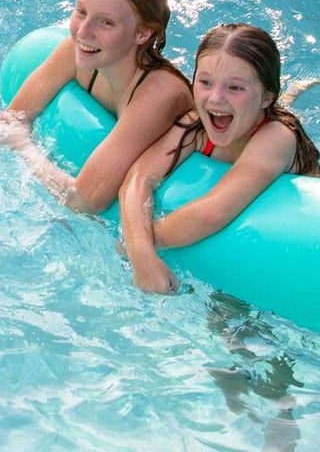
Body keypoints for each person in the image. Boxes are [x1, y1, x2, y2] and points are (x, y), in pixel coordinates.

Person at [119, 23, 319, 294]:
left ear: (266, 98)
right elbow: (139, 177)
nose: (215, 98)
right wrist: (140, 251)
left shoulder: (276, 138)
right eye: (205, 83)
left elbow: (213, 212)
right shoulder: (196, 125)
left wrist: (140, 246)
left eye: (235, 88)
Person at [0, 0, 192, 213]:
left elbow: (85, 201)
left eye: (106, 22)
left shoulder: (159, 94)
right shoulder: (77, 50)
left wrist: (24, 147)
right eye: (81, 12)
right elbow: (10, 119)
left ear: (142, 33)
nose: (83, 32)